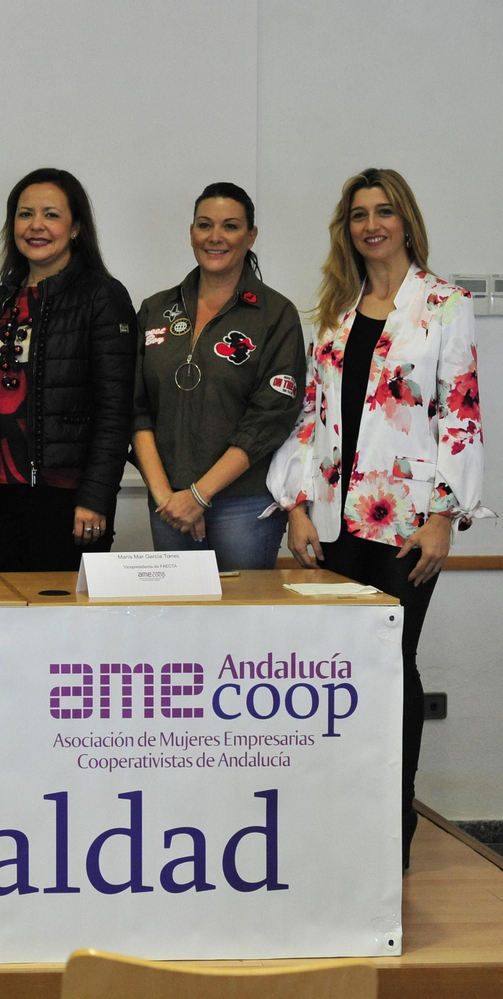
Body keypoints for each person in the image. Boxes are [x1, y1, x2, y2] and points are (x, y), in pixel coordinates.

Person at [268, 168, 489, 868]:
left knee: (392, 662)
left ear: (406, 220)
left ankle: (393, 826)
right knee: (342, 670)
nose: (372, 224)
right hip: (333, 520)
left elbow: (459, 414)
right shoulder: (335, 309)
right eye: (359, 213)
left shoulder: (446, 304)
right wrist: (298, 506)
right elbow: (311, 417)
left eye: (384, 211)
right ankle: (340, 816)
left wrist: (443, 514)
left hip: (404, 523)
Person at [132, 183, 305, 569]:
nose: (215, 237)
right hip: (168, 502)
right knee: (178, 621)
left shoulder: (275, 315)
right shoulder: (156, 309)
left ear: (251, 235)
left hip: (243, 505)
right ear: (191, 232)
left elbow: (270, 417)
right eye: (204, 225)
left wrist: (200, 494)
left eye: (230, 226)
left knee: (242, 623)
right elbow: (136, 407)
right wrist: (166, 495)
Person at [0, 168, 135, 571]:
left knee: (63, 625)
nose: (36, 226)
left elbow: (116, 410)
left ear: (76, 227)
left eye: (51, 214)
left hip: (67, 498)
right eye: (25, 214)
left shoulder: (103, 296)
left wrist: (95, 498)